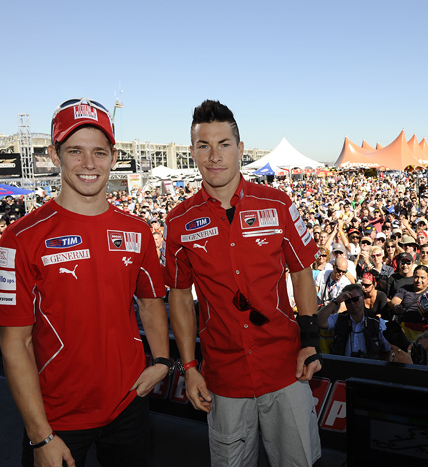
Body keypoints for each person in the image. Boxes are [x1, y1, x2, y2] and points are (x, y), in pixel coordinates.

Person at [0, 97, 170, 467]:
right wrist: (40, 437)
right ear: (54, 156)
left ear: (114, 156)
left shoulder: (137, 231)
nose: (89, 164)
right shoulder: (19, 238)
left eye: (99, 153)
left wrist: (163, 360)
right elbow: (15, 344)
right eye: (75, 151)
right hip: (56, 419)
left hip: (130, 405)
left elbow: (151, 302)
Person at [164, 100, 321, 466]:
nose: (214, 155)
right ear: (192, 152)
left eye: (224, 144)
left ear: (240, 148)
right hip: (224, 378)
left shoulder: (279, 204)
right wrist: (189, 368)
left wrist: (311, 340)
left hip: (286, 371)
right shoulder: (178, 222)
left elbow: (301, 272)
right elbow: (179, 297)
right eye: (204, 145)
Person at [318, 283, 399, 361]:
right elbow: (319, 321)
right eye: (348, 301)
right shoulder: (339, 318)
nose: (352, 303)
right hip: (343, 366)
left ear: (363, 297)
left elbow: (388, 350)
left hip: (369, 369)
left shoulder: (377, 322)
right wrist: (336, 301)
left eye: (355, 299)